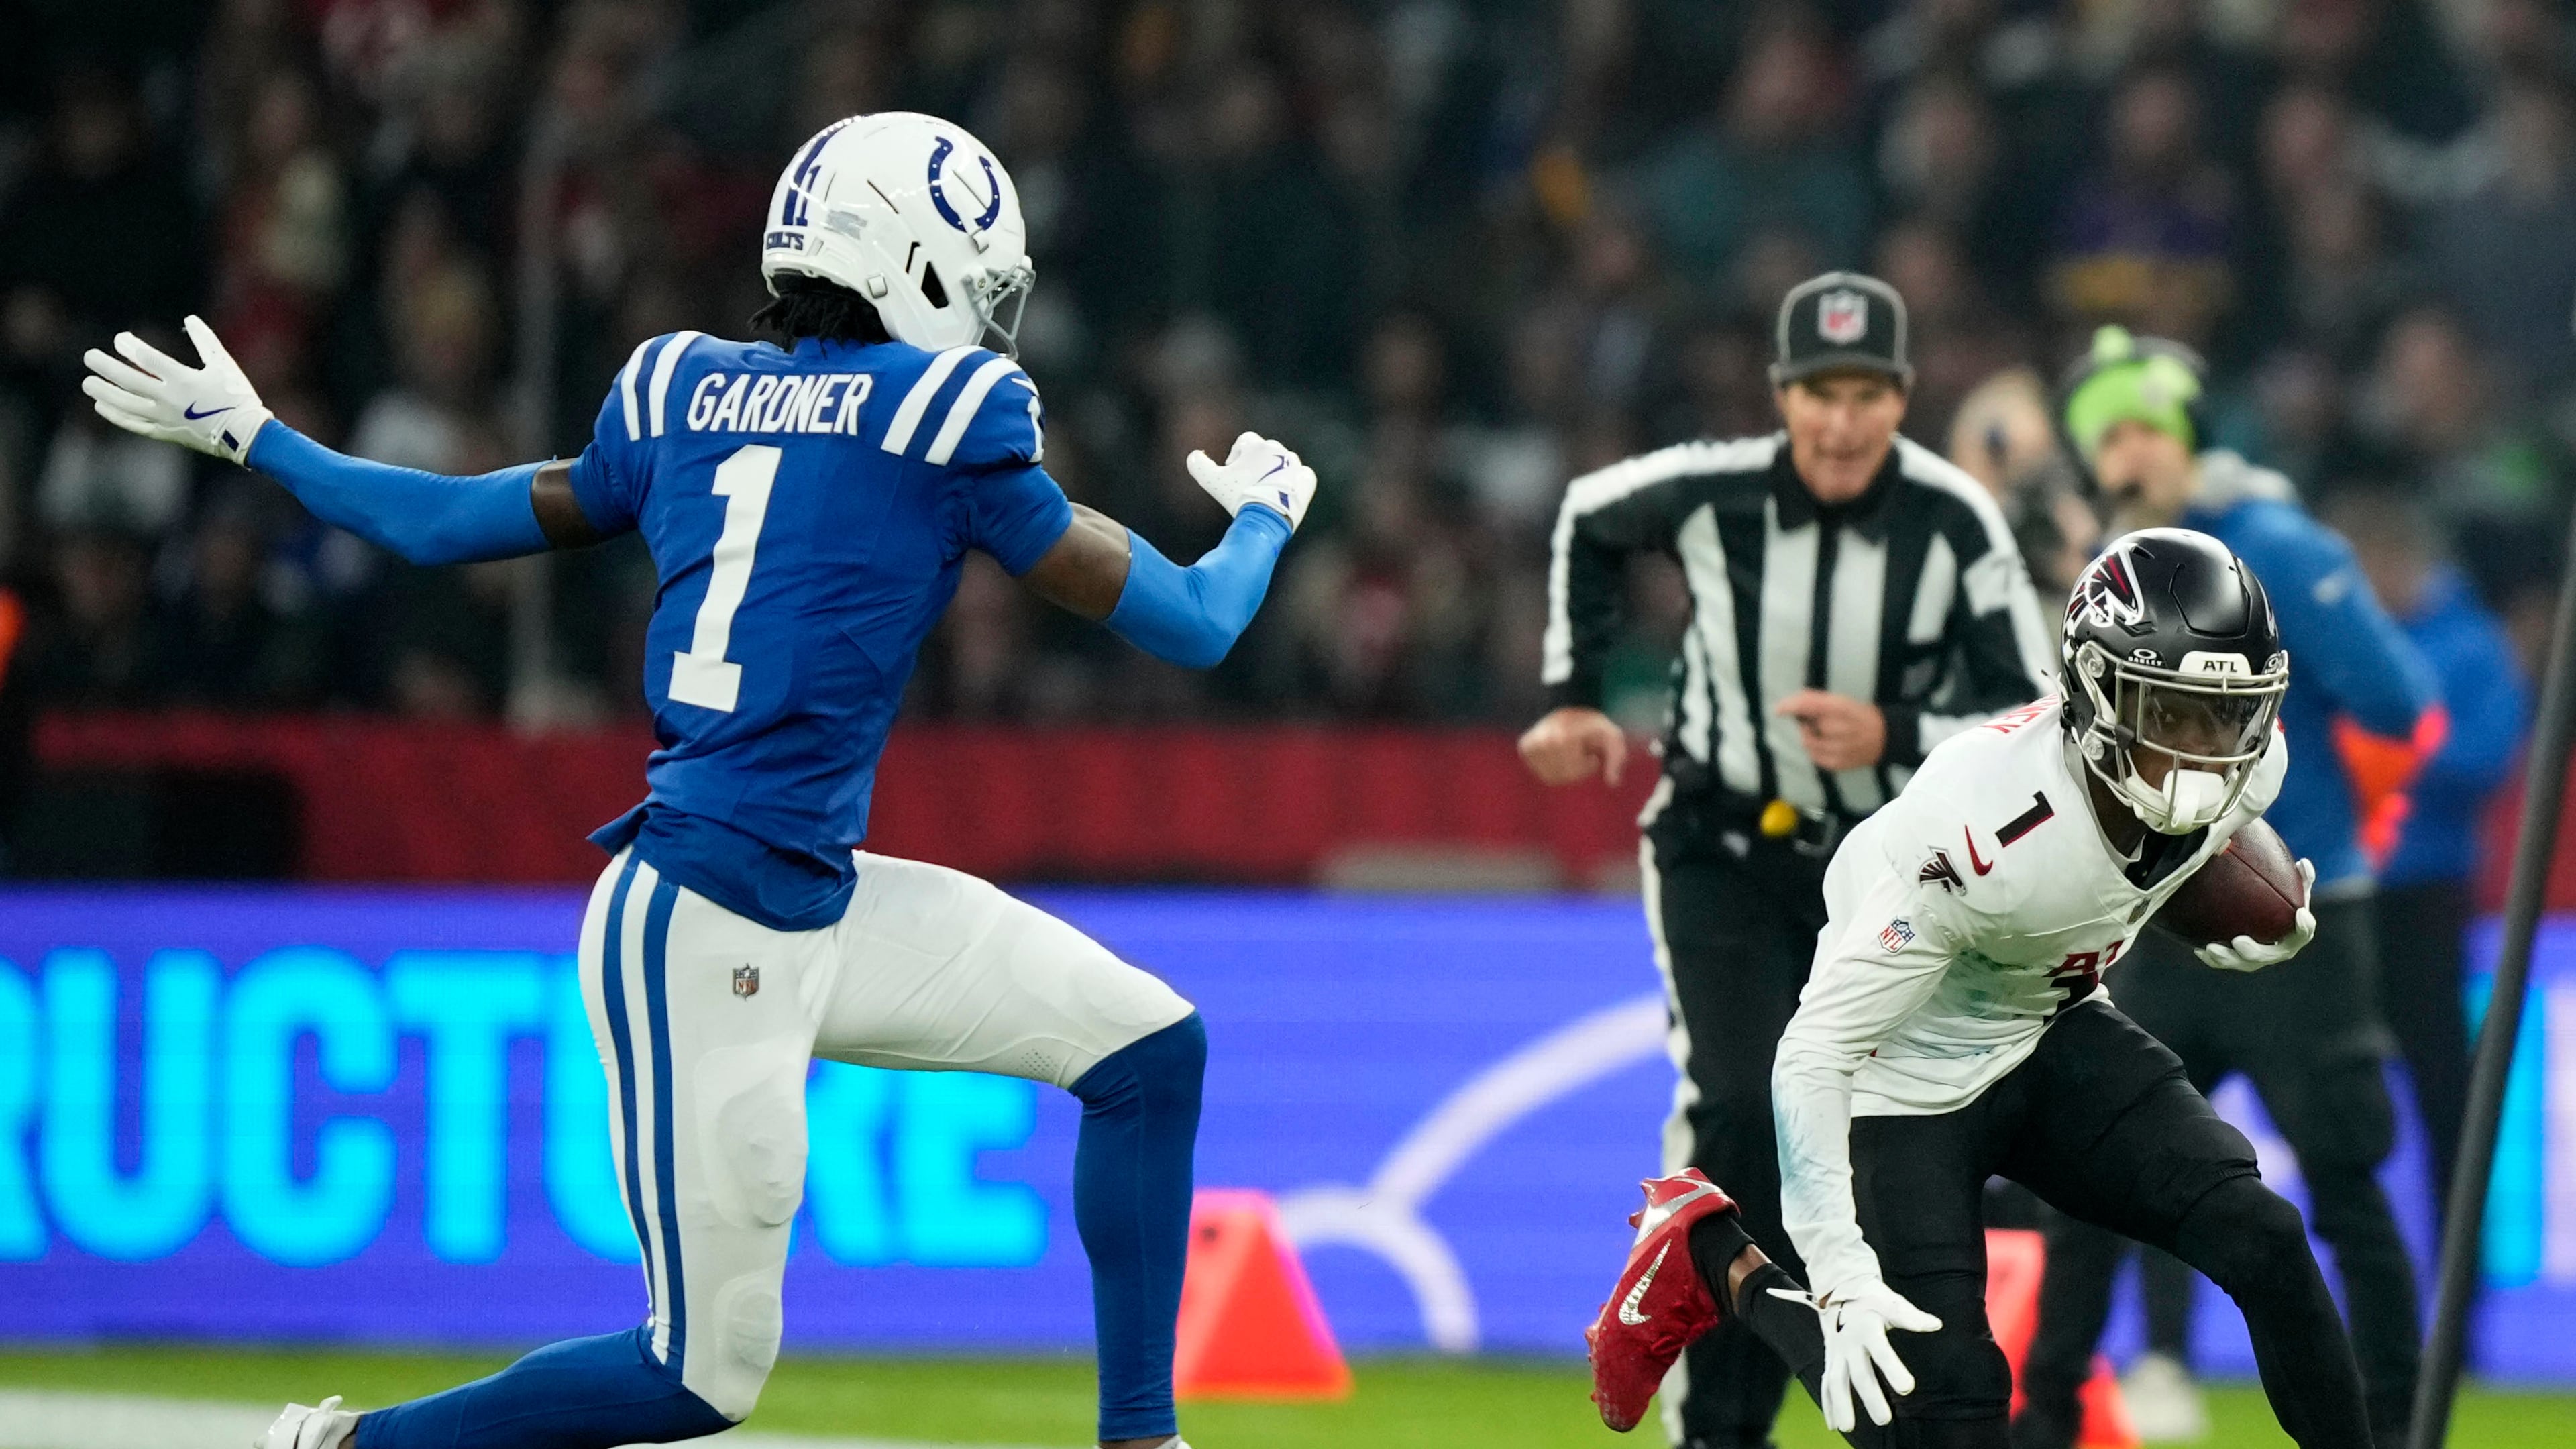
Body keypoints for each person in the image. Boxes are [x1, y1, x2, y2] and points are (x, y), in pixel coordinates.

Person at [81, 112, 1318, 1449]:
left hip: (800, 896)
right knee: (698, 1375)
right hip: (708, 922)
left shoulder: (682, 395)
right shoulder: (945, 418)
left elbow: (442, 524)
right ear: (913, 260)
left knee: (1146, 1049)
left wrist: (264, 438)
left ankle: (1144, 1439)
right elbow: (1195, 623)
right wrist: (1266, 512)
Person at [1584, 529, 2379, 1449]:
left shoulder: (2254, 768)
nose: (2201, 750)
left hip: (2045, 1026)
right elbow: (1814, 1051)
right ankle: (1714, 1254)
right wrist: (1838, 1275)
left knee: (2267, 1239)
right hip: (1901, 1081)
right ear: (2092, 694)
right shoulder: (1984, 828)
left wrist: (2226, 928)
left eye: (2220, 715)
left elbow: (2140, 863)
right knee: (1939, 1415)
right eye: (2167, 713)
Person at [1521, 271, 2055, 1449]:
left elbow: (2033, 707)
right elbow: (1589, 518)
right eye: (1821, 393)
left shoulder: (1956, 517)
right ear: (1781, 396)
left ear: (1904, 399)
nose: (1842, 421)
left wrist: (1896, 737)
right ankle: (1718, 1418)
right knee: (1743, 1103)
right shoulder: (1713, 493)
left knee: (1834, 1122)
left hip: (1878, 871)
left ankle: (1745, 1374)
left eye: (1867, 394)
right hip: (1717, 845)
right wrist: (1571, 692)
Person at [2016, 329, 2439, 1449]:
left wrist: (2335, 812)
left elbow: (2403, 702)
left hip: (2290, 914)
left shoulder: (2279, 547)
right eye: (2108, 433)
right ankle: (2046, 1423)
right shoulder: (2096, 566)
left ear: (2191, 437)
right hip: (2144, 913)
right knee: (2089, 1185)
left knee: (2343, 1186)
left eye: (2146, 425)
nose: (2127, 450)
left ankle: (2397, 1429)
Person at [2325, 486, 2528, 1225]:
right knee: (2339, 1100)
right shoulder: (2338, 642)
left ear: (2400, 562)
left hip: (2427, 897)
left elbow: (2491, 758)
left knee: (2446, 1093)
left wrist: (2393, 747)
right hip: (2343, 896)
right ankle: (2368, 1292)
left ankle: (2458, 1302)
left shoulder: (2470, 643)